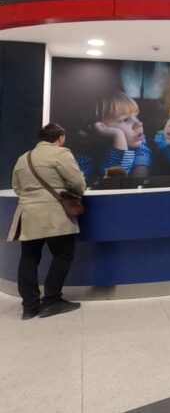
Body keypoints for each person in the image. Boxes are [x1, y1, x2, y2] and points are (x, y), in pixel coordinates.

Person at [7, 123, 88, 320]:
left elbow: (17, 188)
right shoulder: (61, 153)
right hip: (53, 213)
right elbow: (78, 183)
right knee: (63, 253)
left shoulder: (22, 158)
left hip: (27, 214)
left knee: (29, 257)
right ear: (60, 137)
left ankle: (30, 306)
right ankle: (52, 300)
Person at [75, 91, 151, 178]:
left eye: (136, 116)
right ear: (100, 128)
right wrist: (118, 136)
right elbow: (114, 184)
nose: (139, 123)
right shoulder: (83, 163)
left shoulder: (139, 147)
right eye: (125, 119)